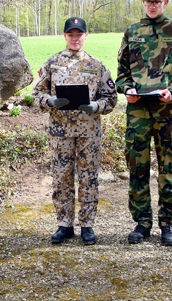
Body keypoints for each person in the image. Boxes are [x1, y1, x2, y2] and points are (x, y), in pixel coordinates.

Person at [116, 0, 172, 247]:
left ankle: (167, 224)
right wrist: (127, 88)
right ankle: (141, 223)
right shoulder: (132, 32)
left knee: (169, 168)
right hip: (138, 111)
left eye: (156, 1)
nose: (151, 5)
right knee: (137, 167)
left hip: (168, 112)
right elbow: (121, 72)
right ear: (143, 2)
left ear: (166, 1)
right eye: (147, 1)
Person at [33, 17, 117, 245]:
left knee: (88, 178)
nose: (75, 38)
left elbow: (111, 98)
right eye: (71, 34)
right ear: (65, 36)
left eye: (79, 34)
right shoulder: (52, 64)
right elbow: (36, 94)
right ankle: (64, 224)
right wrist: (49, 101)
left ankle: (87, 225)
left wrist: (96, 106)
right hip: (60, 133)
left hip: (88, 133)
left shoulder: (97, 66)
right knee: (62, 178)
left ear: (86, 36)